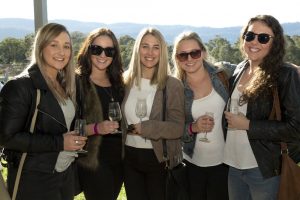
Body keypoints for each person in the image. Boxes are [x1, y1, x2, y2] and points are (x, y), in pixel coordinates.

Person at [0, 23, 87, 200]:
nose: (61, 52)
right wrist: (59, 143)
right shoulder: (20, 86)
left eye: (66, 46)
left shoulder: (64, 85)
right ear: (40, 47)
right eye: (53, 45)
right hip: (34, 179)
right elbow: (6, 137)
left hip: (64, 174)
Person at [223, 15, 300, 200]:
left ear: (275, 43)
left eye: (263, 38)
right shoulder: (240, 68)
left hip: (263, 169)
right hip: (233, 165)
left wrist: (249, 125)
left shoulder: (284, 74)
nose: (254, 42)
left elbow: (296, 127)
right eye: (250, 36)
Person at [121, 27, 185, 200]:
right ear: (137, 49)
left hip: (158, 159)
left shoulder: (172, 85)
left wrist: (147, 128)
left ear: (162, 51)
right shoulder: (124, 81)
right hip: (129, 158)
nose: (150, 52)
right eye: (145, 46)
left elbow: (178, 128)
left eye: (156, 47)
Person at [172, 31, 235, 200]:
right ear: (177, 58)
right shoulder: (175, 88)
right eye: (183, 55)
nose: (190, 59)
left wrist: (292, 68)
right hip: (192, 164)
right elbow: (172, 129)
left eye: (194, 53)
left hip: (225, 162)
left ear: (203, 52)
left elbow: (251, 67)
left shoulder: (223, 74)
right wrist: (194, 127)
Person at [75, 27, 125, 200]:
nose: (103, 55)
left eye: (109, 51)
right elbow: (70, 126)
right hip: (93, 160)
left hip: (119, 159)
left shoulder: (119, 82)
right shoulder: (77, 82)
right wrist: (97, 128)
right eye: (97, 49)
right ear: (88, 50)